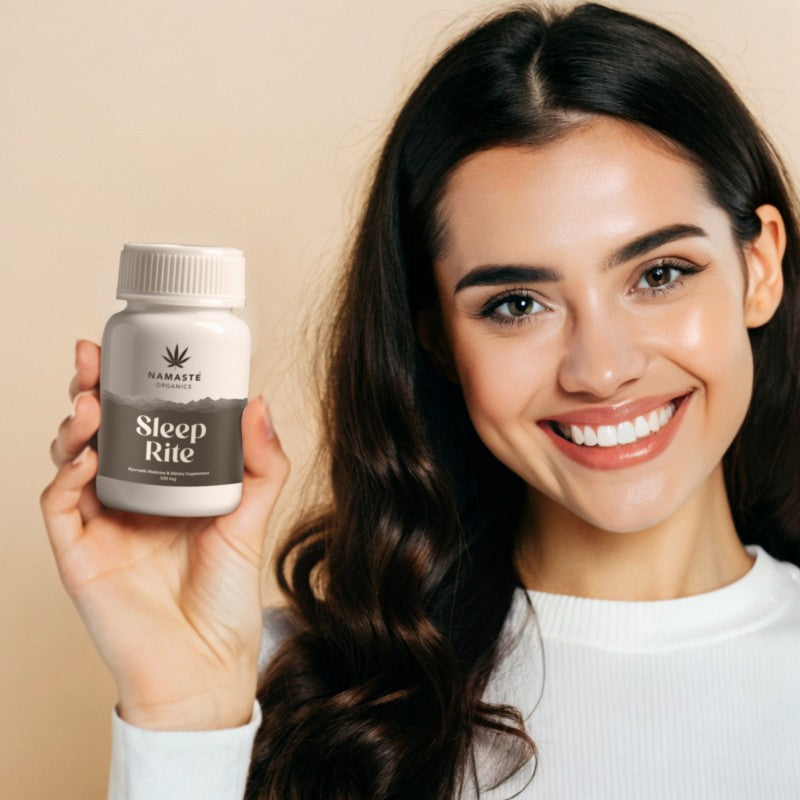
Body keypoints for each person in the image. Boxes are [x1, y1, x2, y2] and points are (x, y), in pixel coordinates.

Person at [41, 3, 800, 799]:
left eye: (659, 274)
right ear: (437, 338)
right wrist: (183, 715)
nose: (601, 370)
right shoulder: (295, 693)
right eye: (516, 303)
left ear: (760, 269)